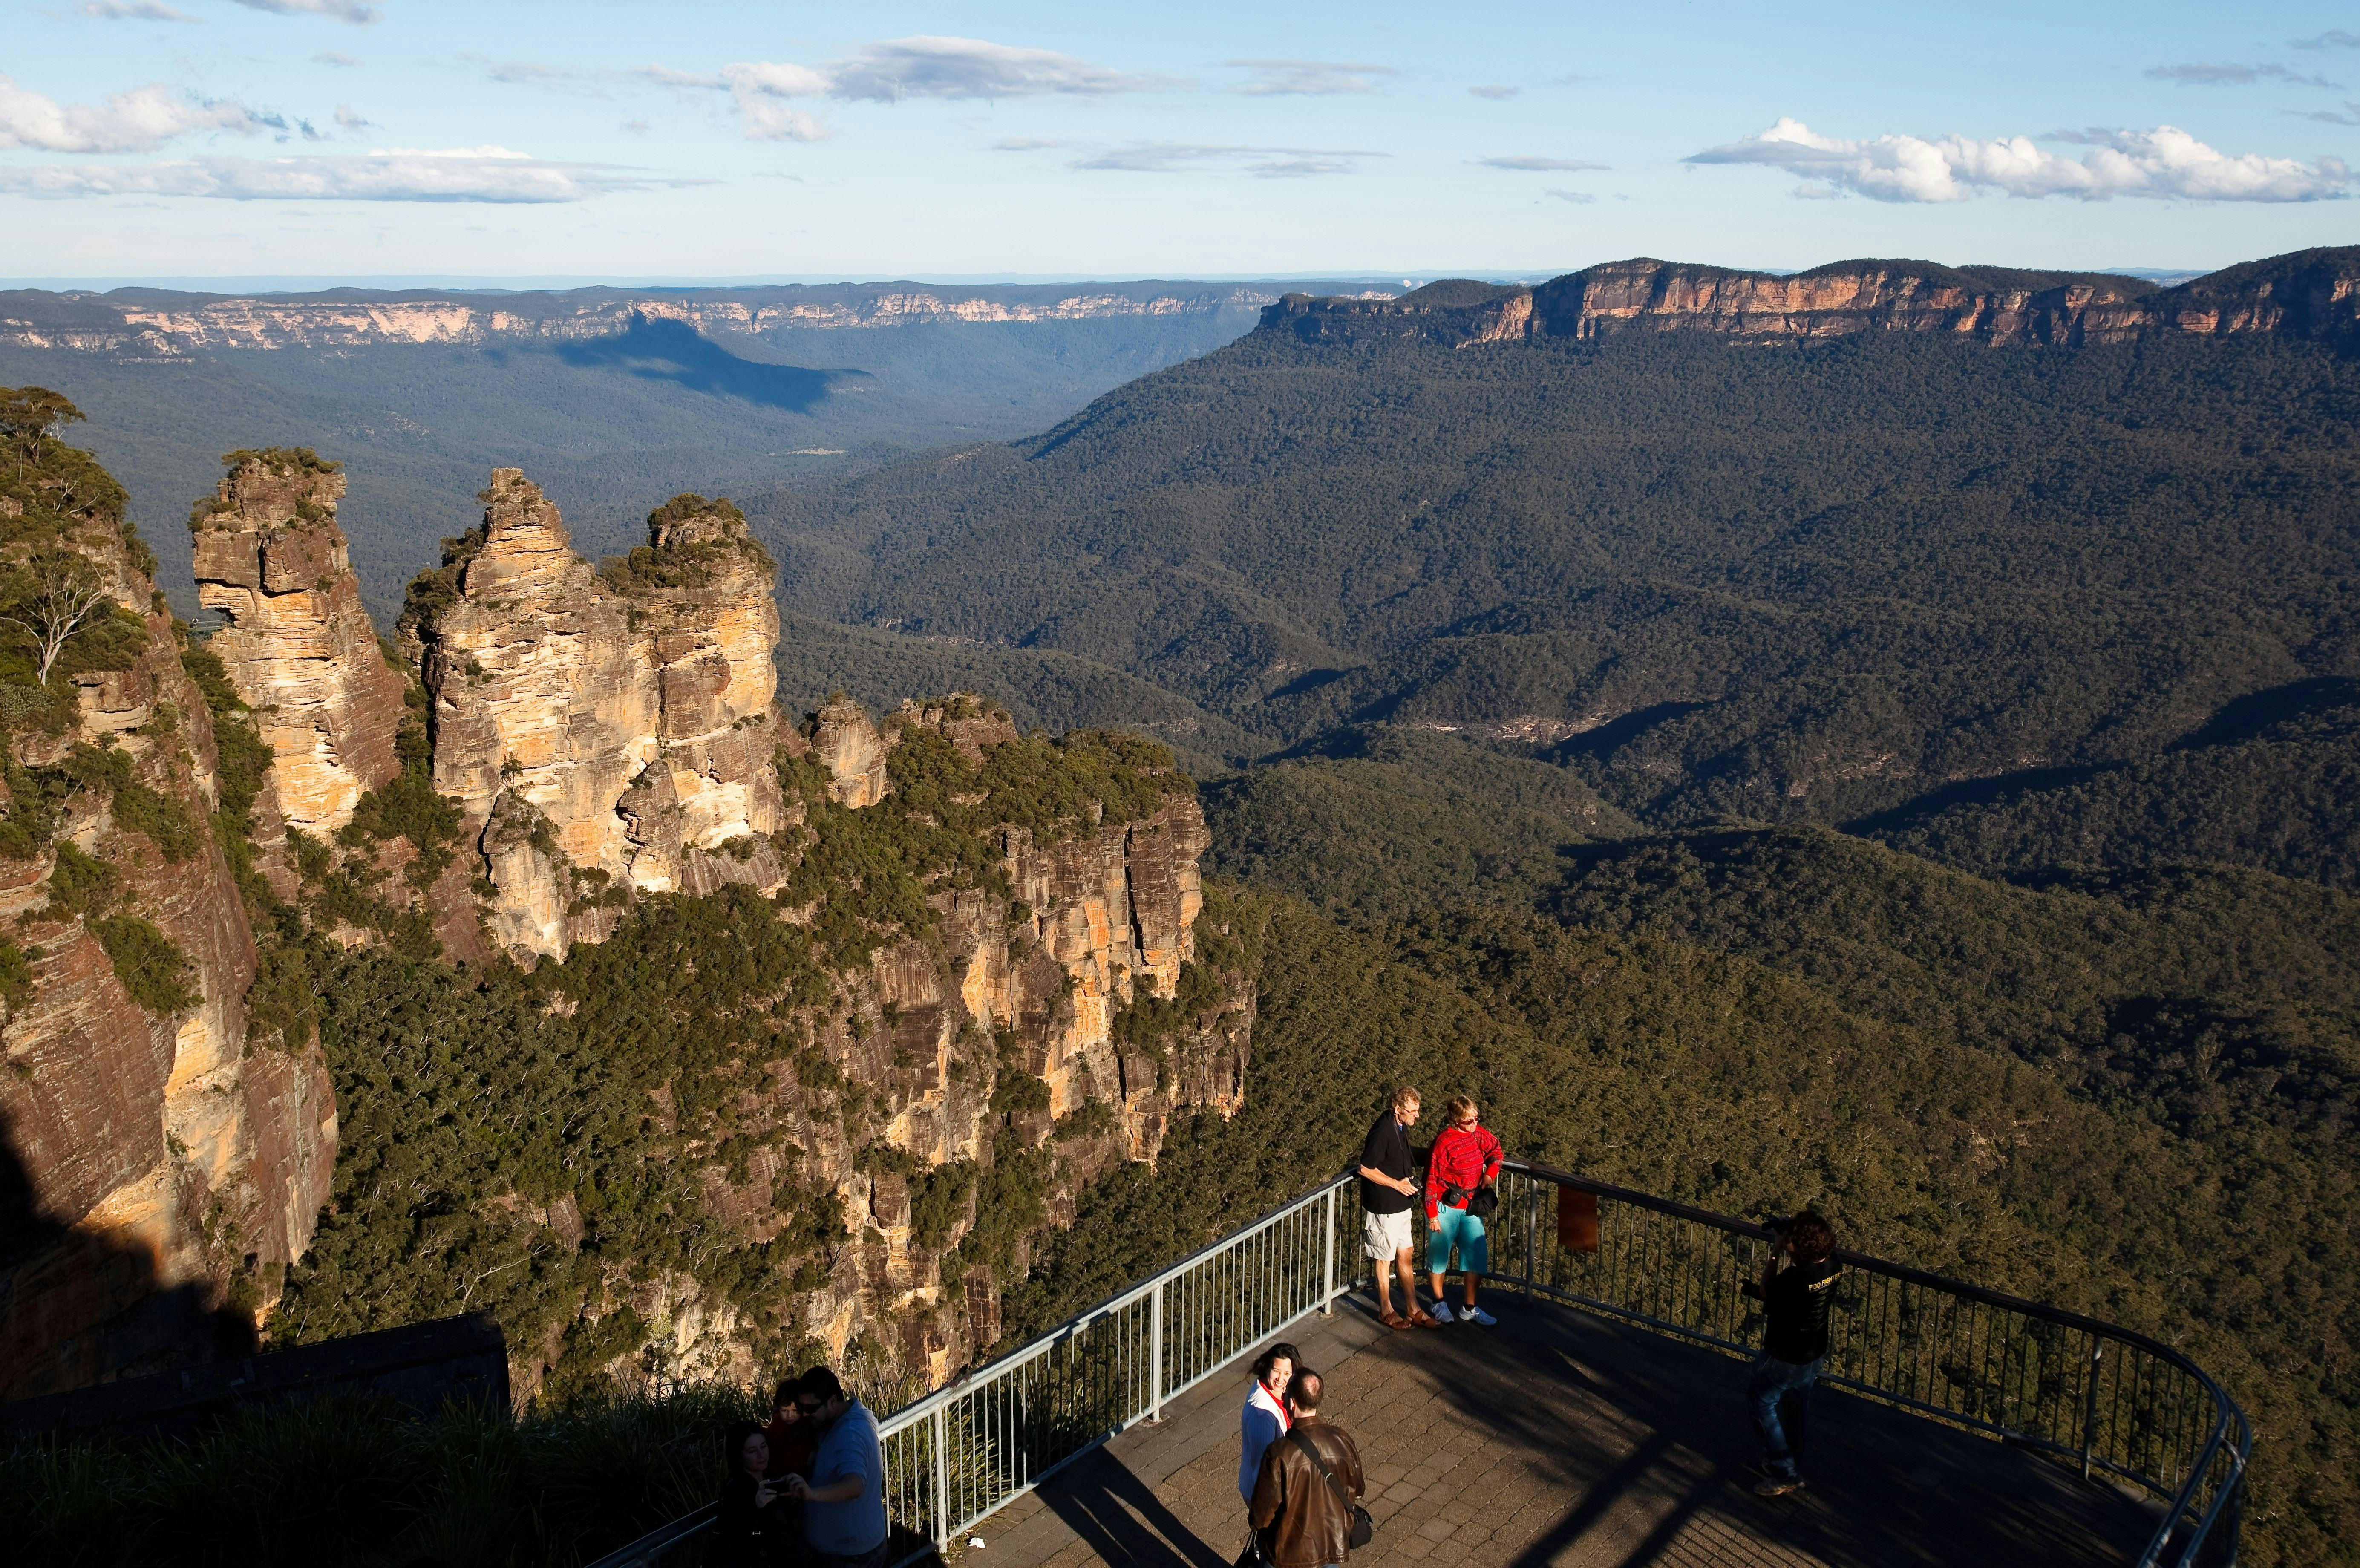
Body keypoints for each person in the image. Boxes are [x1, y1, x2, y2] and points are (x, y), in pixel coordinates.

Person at [1740, 1210, 1842, 1498]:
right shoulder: (1835, 1263)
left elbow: (1764, 1289)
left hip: (1782, 1355)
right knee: (1796, 1411)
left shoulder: (1794, 1279)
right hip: (1812, 1352)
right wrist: (1791, 1233)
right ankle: (1790, 1463)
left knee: (1761, 1405)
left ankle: (1784, 1472)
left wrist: (1774, 1251)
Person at [1248, 1369, 1366, 1568]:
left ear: (1292, 1404)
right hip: (1330, 1548)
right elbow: (1359, 1489)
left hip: (1287, 1556)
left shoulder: (1278, 1453)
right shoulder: (1343, 1439)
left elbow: (1261, 1517)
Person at [781, 1367, 889, 1568]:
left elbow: (855, 1485)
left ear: (832, 1402)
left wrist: (811, 1494)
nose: (805, 1415)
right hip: (852, 1547)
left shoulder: (850, 1433)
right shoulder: (846, 1417)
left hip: (849, 1555)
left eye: (811, 1409)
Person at [1357, 1087, 1438, 1330]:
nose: (1417, 1115)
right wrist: (1396, 1185)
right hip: (1385, 1206)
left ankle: (1413, 1308)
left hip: (1402, 1205)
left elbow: (1401, 1154)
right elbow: (1365, 1168)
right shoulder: (1382, 1131)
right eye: (1412, 1111)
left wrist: (1428, 1155)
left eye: (1417, 1110)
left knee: (1406, 1253)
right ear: (1398, 1109)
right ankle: (1386, 1310)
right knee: (1384, 1258)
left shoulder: (1400, 1126)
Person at [1423, 1095, 1502, 1326]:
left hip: (1471, 1207)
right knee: (1439, 1258)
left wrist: (1489, 1175)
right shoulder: (1444, 1142)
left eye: (1476, 1118)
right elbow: (1431, 1179)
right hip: (1445, 1208)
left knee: (1476, 1256)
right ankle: (1438, 1303)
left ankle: (1470, 1307)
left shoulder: (1478, 1134)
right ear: (1455, 1120)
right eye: (1468, 1121)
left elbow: (1496, 1151)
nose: (1474, 1123)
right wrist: (1432, 1215)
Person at [714, 1420, 794, 1567]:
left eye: (764, 1446)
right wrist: (755, 1507)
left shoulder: (771, 1477)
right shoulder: (736, 1488)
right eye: (752, 1451)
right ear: (739, 1456)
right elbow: (735, 1532)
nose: (761, 1454)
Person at [766, 1374, 819, 1481]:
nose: (790, 1416)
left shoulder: (810, 1424)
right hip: (779, 1475)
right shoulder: (777, 1424)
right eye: (784, 1411)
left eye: (795, 1411)